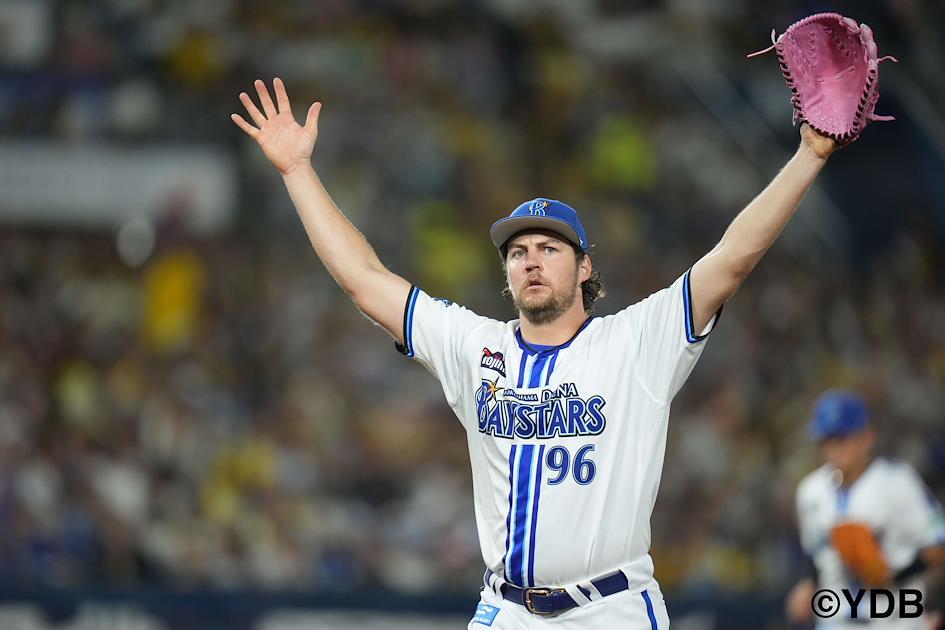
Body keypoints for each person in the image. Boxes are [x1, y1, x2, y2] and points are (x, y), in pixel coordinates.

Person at [232, 77, 838, 628]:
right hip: (505, 608)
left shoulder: (634, 341)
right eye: (519, 251)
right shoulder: (474, 346)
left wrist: (808, 156)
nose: (531, 259)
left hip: (610, 607)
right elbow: (364, 280)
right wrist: (296, 173)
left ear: (585, 267)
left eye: (550, 247)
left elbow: (732, 259)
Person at [786, 391, 945, 630]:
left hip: (896, 620)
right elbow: (814, 552)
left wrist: (895, 577)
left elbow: (939, 542)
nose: (833, 448)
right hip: (837, 619)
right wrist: (806, 584)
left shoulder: (898, 481)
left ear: (866, 437)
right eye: (826, 440)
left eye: (842, 438)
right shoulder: (811, 491)